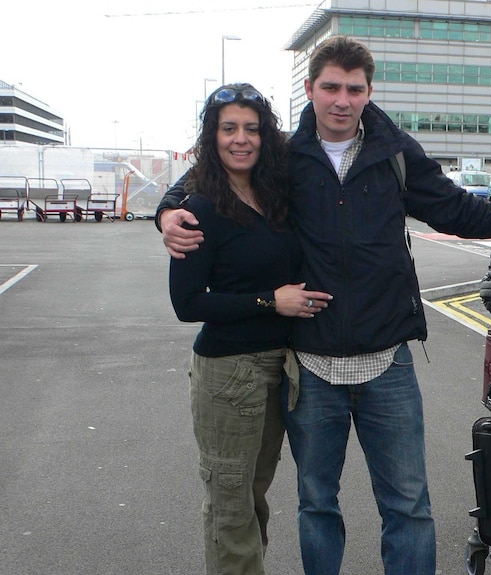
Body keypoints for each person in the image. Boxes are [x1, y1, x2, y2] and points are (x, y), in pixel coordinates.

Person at [158, 36, 491, 575]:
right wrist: (167, 211)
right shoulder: (285, 155)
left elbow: (454, 208)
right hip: (310, 363)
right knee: (317, 505)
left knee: (408, 506)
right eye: (330, 86)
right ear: (309, 90)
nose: (341, 99)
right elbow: (215, 177)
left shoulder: (393, 151)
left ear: (369, 92)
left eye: (354, 89)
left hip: (388, 362)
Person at [168, 82, 332, 575]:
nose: (241, 139)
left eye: (252, 129)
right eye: (229, 129)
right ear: (212, 137)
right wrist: (271, 301)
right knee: (230, 503)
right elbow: (187, 304)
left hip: (279, 368)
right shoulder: (200, 209)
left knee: (251, 497)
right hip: (228, 373)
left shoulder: (272, 195)